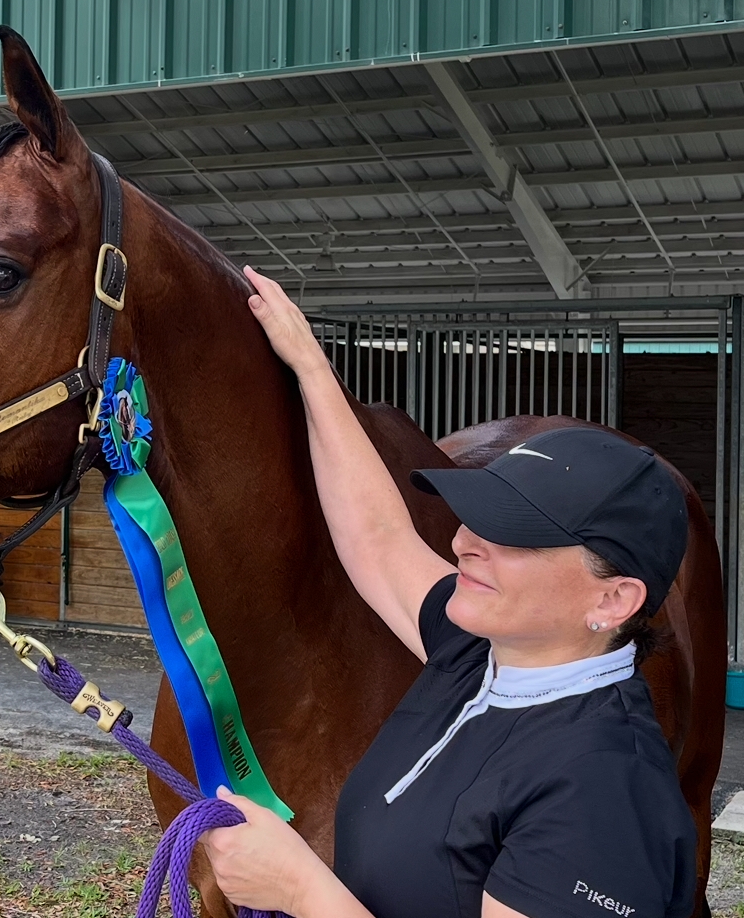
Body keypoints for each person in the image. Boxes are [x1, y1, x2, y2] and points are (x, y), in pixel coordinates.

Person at [200, 267, 697, 918]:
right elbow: (378, 537)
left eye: (515, 535)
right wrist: (312, 369)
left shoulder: (605, 794)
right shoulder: (478, 652)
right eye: (475, 516)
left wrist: (301, 890)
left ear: (613, 600)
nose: (463, 542)